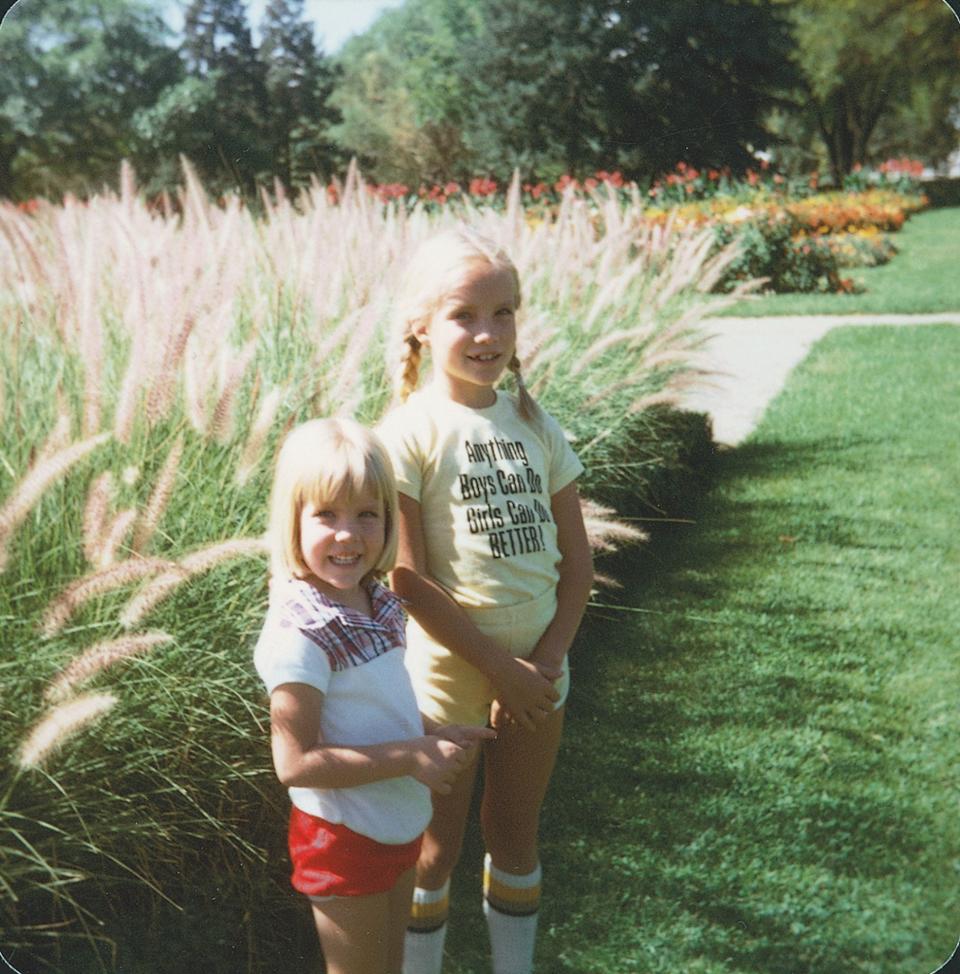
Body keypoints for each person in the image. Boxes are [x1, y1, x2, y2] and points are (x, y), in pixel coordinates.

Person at [377, 227, 594, 974]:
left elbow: (578, 565)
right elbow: (407, 578)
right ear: (422, 325)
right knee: (436, 845)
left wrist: (544, 663)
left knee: (516, 831)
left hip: (540, 671)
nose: (487, 333)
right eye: (465, 315)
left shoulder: (536, 425)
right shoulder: (407, 434)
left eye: (504, 314)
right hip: (446, 674)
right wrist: (499, 670)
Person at [254, 418, 493, 974]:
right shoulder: (300, 634)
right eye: (326, 515)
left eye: (368, 515)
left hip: (397, 818)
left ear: (389, 521)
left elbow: (379, 707)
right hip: (342, 834)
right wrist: (413, 756)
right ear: (293, 521)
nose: (348, 534)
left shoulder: (376, 602)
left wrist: (432, 734)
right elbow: (295, 763)